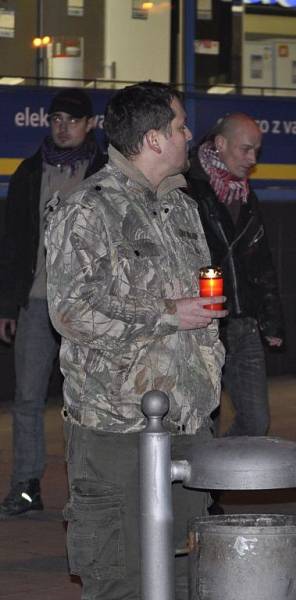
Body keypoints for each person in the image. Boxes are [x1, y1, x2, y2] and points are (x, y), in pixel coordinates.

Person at [45, 82, 226, 599]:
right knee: (120, 579)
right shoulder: (87, 210)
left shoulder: (181, 208)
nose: (189, 135)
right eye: (180, 127)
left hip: (188, 423)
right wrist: (170, 314)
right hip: (118, 431)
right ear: (152, 139)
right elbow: (71, 313)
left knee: (193, 574)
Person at [0, 88, 106, 518]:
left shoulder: (105, 172)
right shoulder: (28, 173)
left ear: (90, 125)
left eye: (72, 119)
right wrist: (8, 305)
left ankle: (90, 489)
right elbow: (12, 245)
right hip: (36, 302)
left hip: (88, 308)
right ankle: (26, 485)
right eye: (56, 118)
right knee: (26, 399)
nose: (62, 126)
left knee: (87, 401)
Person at [185, 112, 284, 437]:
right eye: (246, 149)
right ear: (221, 144)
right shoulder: (187, 188)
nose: (252, 159)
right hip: (203, 324)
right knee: (202, 424)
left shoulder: (245, 195)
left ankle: (220, 476)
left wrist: (270, 320)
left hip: (243, 323)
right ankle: (205, 484)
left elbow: (261, 261)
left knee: (256, 421)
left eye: (257, 150)